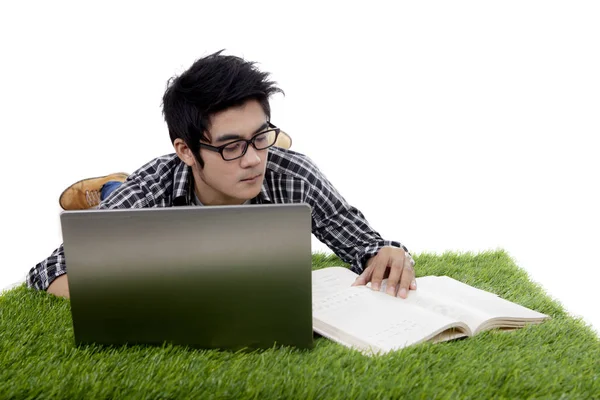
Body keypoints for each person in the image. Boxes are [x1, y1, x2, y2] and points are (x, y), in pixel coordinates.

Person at [26, 50, 416, 299]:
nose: (252, 161)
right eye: (231, 146)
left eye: (260, 136)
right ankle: (109, 187)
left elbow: (363, 243)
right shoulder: (153, 186)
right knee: (120, 198)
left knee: (276, 159)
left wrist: (388, 253)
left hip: (275, 170)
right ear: (187, 151)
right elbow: (48, 271)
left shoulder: (292, 174)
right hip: (141, 186)